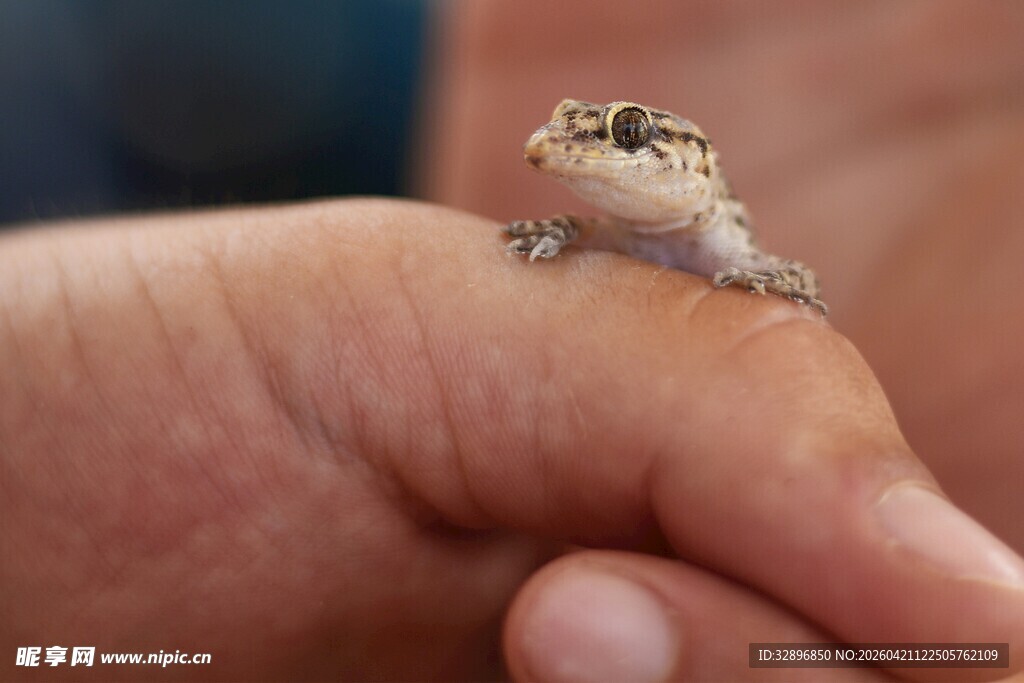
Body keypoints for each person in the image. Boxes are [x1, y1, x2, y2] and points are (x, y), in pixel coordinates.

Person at [3, 2, 1023, 681]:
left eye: (621, 134)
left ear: (694, 164)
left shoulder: (738, 251)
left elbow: (794, 292)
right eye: (586, 133)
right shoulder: (593, 232)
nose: (588, 148)